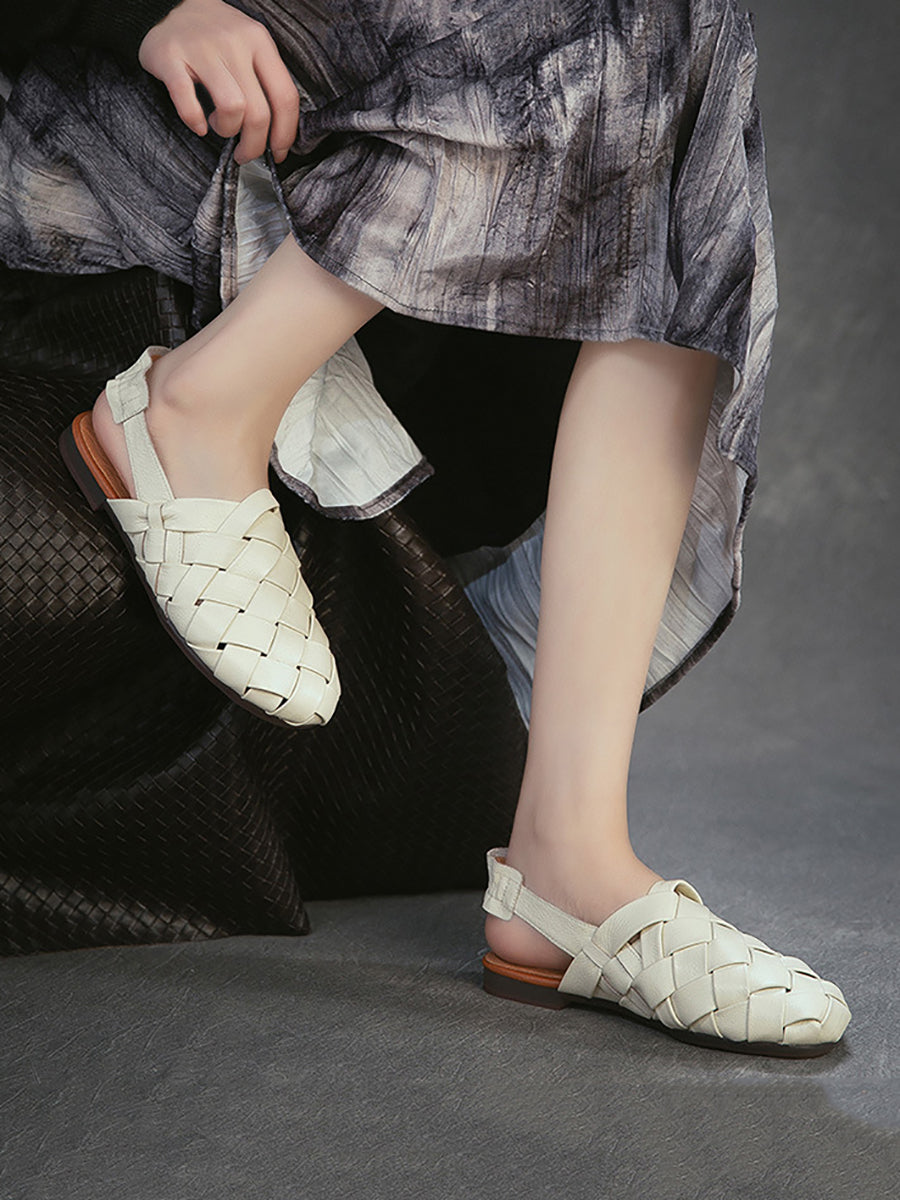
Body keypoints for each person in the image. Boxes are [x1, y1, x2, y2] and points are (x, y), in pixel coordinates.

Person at [0, 0, 851, 1054]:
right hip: (154, 108)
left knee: (674, 26)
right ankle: (201, 410)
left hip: (416, 137)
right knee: (637, 25)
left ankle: (573, 849)